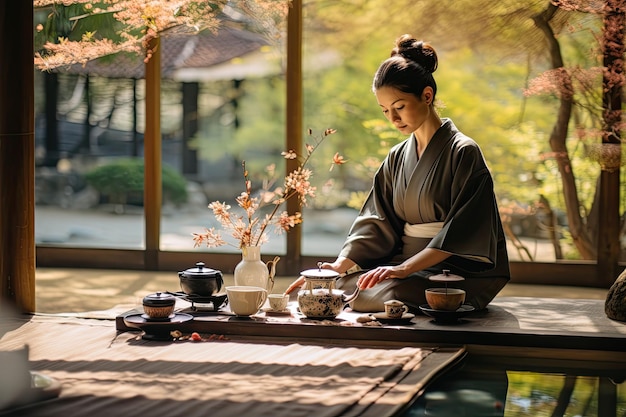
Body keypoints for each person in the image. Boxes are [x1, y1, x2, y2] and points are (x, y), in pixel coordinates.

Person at [286, 34, 510, 312]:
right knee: (340, 287)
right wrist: (338, 267)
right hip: (402, 267)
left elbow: (465, 231)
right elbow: (378, 221)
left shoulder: (463, 151)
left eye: (399, 107)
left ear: (427, 95)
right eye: (385, 111)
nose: (393, 119)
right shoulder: (396, 157)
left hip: (450, 272)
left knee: (388, 291)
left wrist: (405, 269)